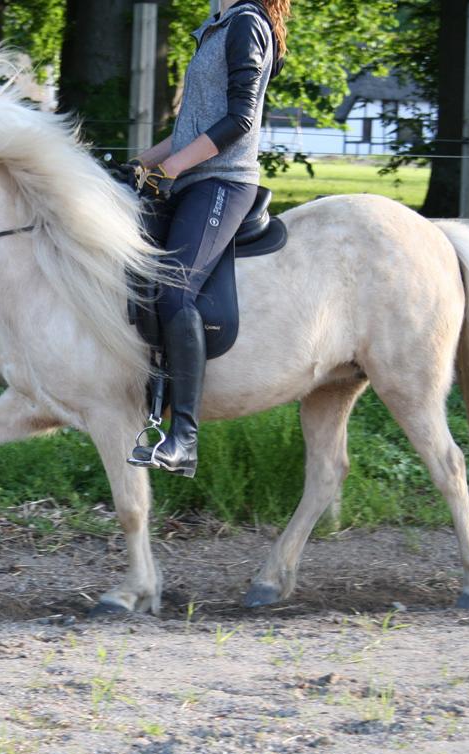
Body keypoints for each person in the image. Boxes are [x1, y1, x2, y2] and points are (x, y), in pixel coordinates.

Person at [124, 0, 289, 478]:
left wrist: (174, 166)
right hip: (193, 181)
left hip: (224, 181)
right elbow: (189, 130)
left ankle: (184, 439)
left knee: (176, 291)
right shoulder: (213, 28)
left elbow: (240, 121)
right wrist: (142, 161)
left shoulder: (246, 25)